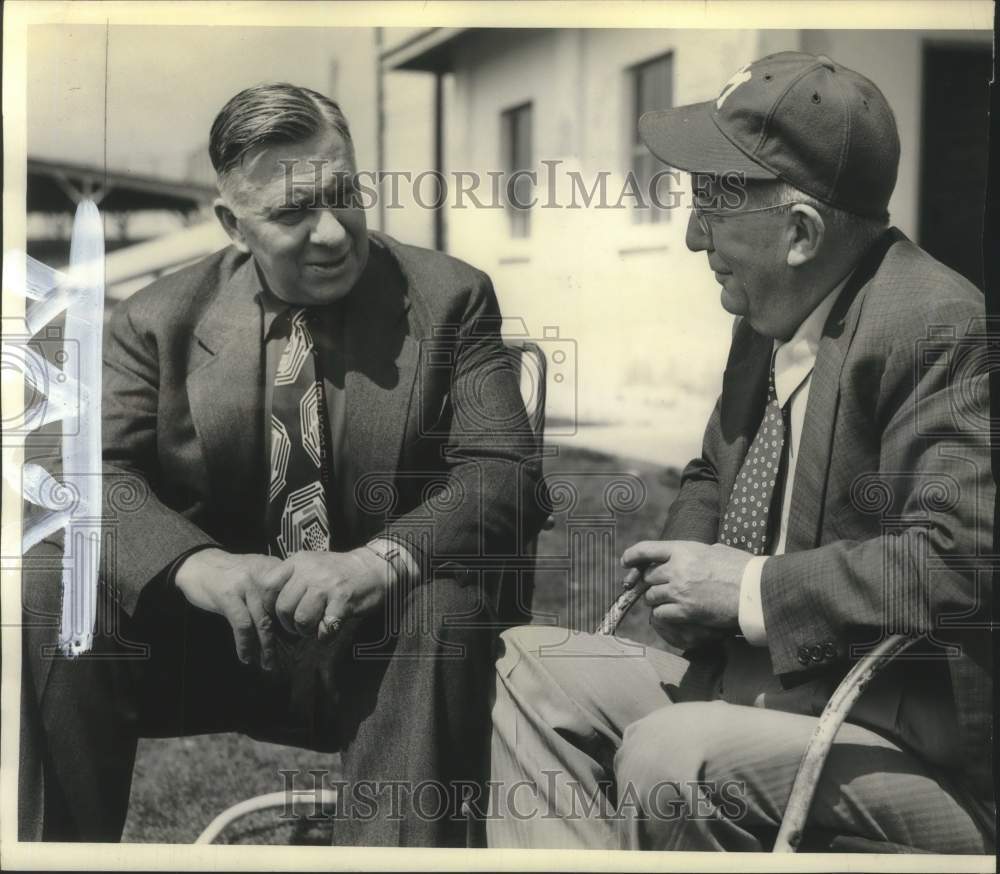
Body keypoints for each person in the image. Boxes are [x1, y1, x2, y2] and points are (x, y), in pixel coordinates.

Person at [488, 52, 994, 853]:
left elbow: (963, 562)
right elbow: (716, 467)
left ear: (800, 233)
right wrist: (688, 561)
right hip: (753, 691)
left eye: (713, 201)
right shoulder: (768, 314)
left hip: (906, 742)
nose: (693, 235)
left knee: (668, 751)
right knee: (524, 663)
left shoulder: (940, 324)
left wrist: (749, 591)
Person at [19, 83, 547, 846]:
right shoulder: (157, 318)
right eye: (293, 212)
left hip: (389, 651)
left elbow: (503, 474)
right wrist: (197, 568)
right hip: (206, 648)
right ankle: (52, 858)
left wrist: (377, 563)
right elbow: (81, 473)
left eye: (345, 195)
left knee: (443, 606)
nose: (333, 232)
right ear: (233, 224)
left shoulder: (450, 299)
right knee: (53, 588)